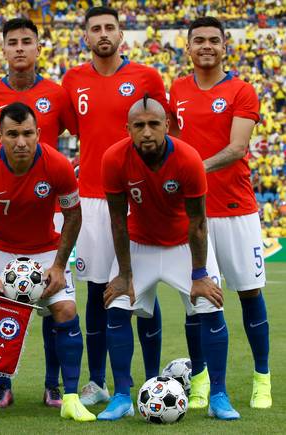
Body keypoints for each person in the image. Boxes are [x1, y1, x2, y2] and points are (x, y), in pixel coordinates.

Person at [100, 95, 238, 420]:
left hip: (183, 245)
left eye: (153, 124)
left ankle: (219, 394)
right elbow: (118, 219)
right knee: (117, 309)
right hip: (138, 243)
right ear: (128, 129)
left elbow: (199, 222)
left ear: (168, 126)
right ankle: (121, 396)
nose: (146, 132)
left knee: (211, 307)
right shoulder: (113, 159)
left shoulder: (188, 158)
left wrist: (200, 273)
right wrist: (123, 273)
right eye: (139, 126)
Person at [0, 102, 95, 423]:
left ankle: (71, 397)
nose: (21, 142)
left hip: (46, 250)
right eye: (13, 134)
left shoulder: (57, 164)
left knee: (66, 310)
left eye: (28, 134)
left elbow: (73, 215)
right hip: (0, 250)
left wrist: (59, 266)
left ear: (39, 134)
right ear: (0, 135)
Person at [61, 6, 169, 406]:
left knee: (144, 288)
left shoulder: (146, 77)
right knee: (96, 292)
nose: (103, 33)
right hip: (91, 200)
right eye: (95, 28)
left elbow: (161, 132)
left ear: (121, 33)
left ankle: (154, 380)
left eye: (110, 27)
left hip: (139, 197)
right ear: (85, 36)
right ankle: (97, 381)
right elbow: (77, 129)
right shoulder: (73, 80)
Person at [0, 17, 77, 409]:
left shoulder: (57, 93)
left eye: (26, 41)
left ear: (37, 48)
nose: (19, 48)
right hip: (3, 211)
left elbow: (81, 132)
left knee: (54, 305)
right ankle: (1, 386)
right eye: (12, 41)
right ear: (2, 48)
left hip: (48, 208)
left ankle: (54, 385)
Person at [169, 16, 270, 409]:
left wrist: (192, 172)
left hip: (235, 210)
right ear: (188, 47)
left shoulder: (242, 90)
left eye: (214, 39)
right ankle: (199, 381)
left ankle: (262, 379)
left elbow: (237, 149)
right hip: (192, 216)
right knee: (197, 299)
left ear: (225, 46)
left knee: (249, 293)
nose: (206, 45)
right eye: (199, 40)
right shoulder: (175, 91)